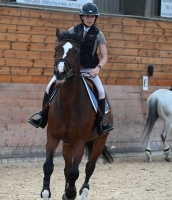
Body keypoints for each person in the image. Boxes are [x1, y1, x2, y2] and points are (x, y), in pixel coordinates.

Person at [28, 2, 114, 136]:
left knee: (101, 92)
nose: (89, 19)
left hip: (89, 71)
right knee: (49, 86)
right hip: (71, 71)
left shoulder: (99, 34)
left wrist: (97, 69)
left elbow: (104, 56)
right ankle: (43, 116)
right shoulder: (73, 30)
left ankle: (100, 121)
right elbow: (64, 45)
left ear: (95, 18)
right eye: (87, 16)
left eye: (92, 17)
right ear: (82, 17)